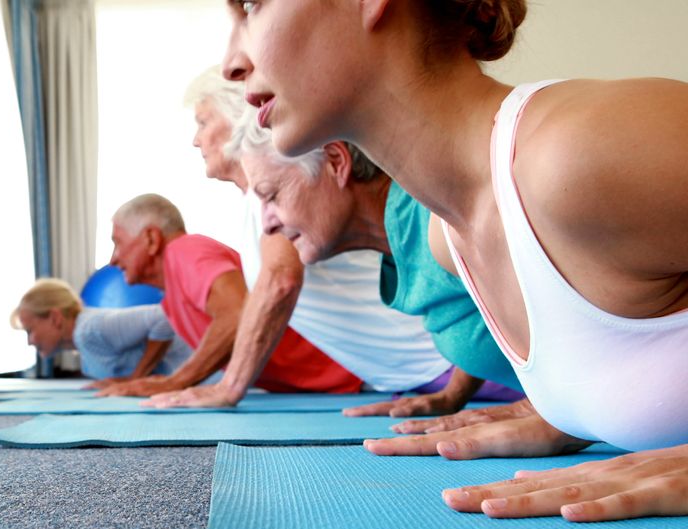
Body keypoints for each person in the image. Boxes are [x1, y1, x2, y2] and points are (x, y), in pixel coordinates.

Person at [221, 0, 688, 522]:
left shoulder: (575, 154)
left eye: (253, 6)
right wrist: (582, 415)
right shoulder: (448, 236)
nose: (230, 63)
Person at [155, 105, 524, 417]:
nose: (266, 222)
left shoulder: (436, 221)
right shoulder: (405, 248)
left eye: (271, 195)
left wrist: (547, 417)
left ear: (336, 161)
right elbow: (484, 313)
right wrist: (452, 397)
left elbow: (565, 319)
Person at [98, 193, 362, 397]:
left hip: (357, 372)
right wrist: (139, 378)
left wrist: (175, 382)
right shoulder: (170, 299)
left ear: (152, 239)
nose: (113, 260)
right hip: (339, 386)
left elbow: (237, 314)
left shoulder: (185, 249)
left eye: (117, 243)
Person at [11, 278, 192, 382]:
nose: (30, 341)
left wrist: (135, 379)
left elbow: (162, 317)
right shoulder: (85, 349)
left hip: (208, 379)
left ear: (55, 318)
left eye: (30, 331)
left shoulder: (90, 328)